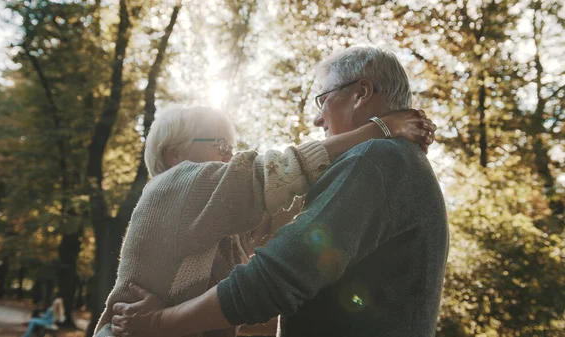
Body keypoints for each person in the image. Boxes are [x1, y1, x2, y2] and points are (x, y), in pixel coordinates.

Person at [109, 45, 449, 337]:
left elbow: (273, 277)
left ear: (360, 92)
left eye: (322, 100)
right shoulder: (393, 162)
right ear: (175, 155)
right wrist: (380, 129)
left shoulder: (377, 161)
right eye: (220, 145)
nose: (318, 121)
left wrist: (159, 321)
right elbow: (275, 181)